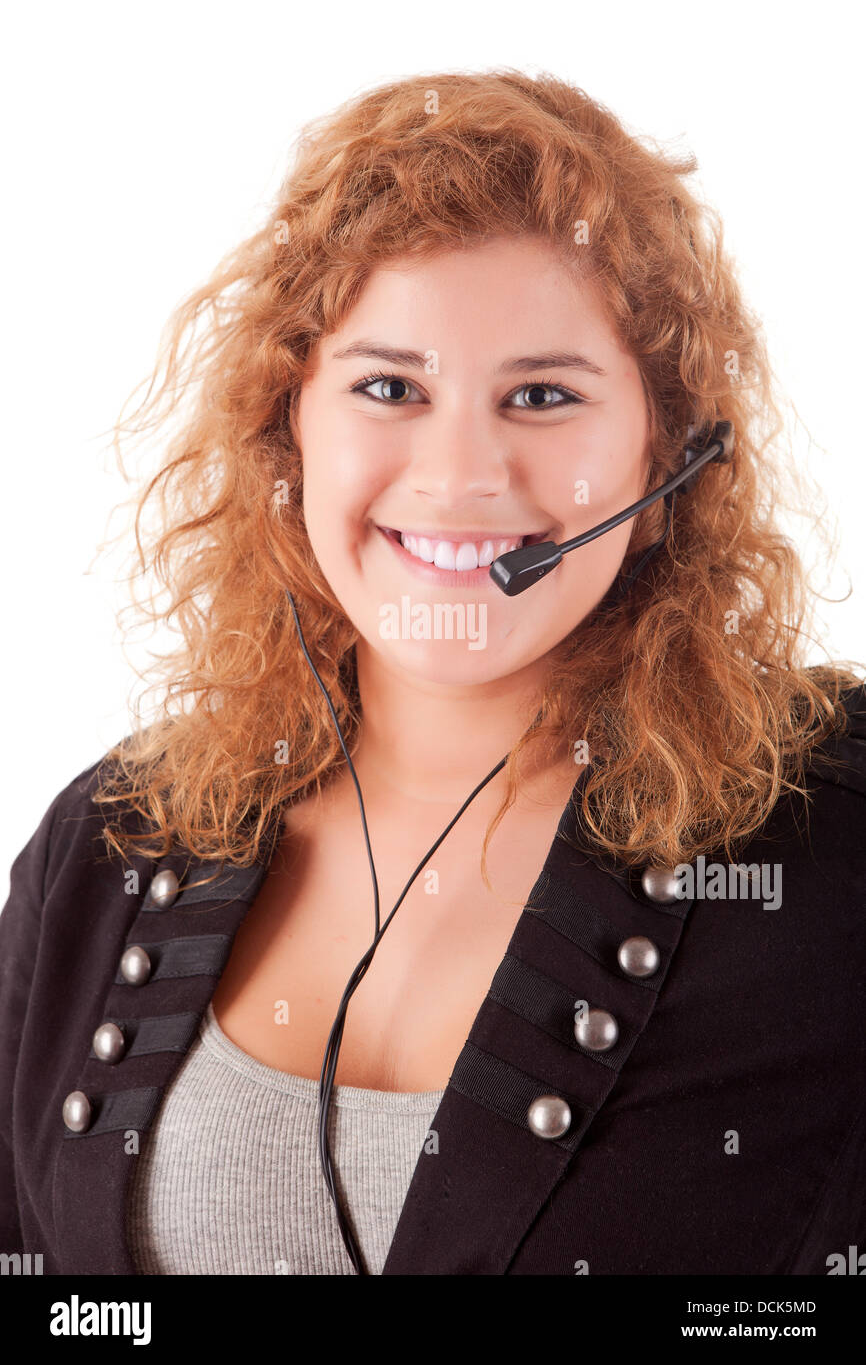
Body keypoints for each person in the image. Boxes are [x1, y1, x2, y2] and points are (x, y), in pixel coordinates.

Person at [1, 69, 864, 1278]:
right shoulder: (106, 847)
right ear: (284, 427)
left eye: (543, 395)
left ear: (670, 465)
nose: (459, 474)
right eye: (389, 387)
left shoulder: (834, 839)